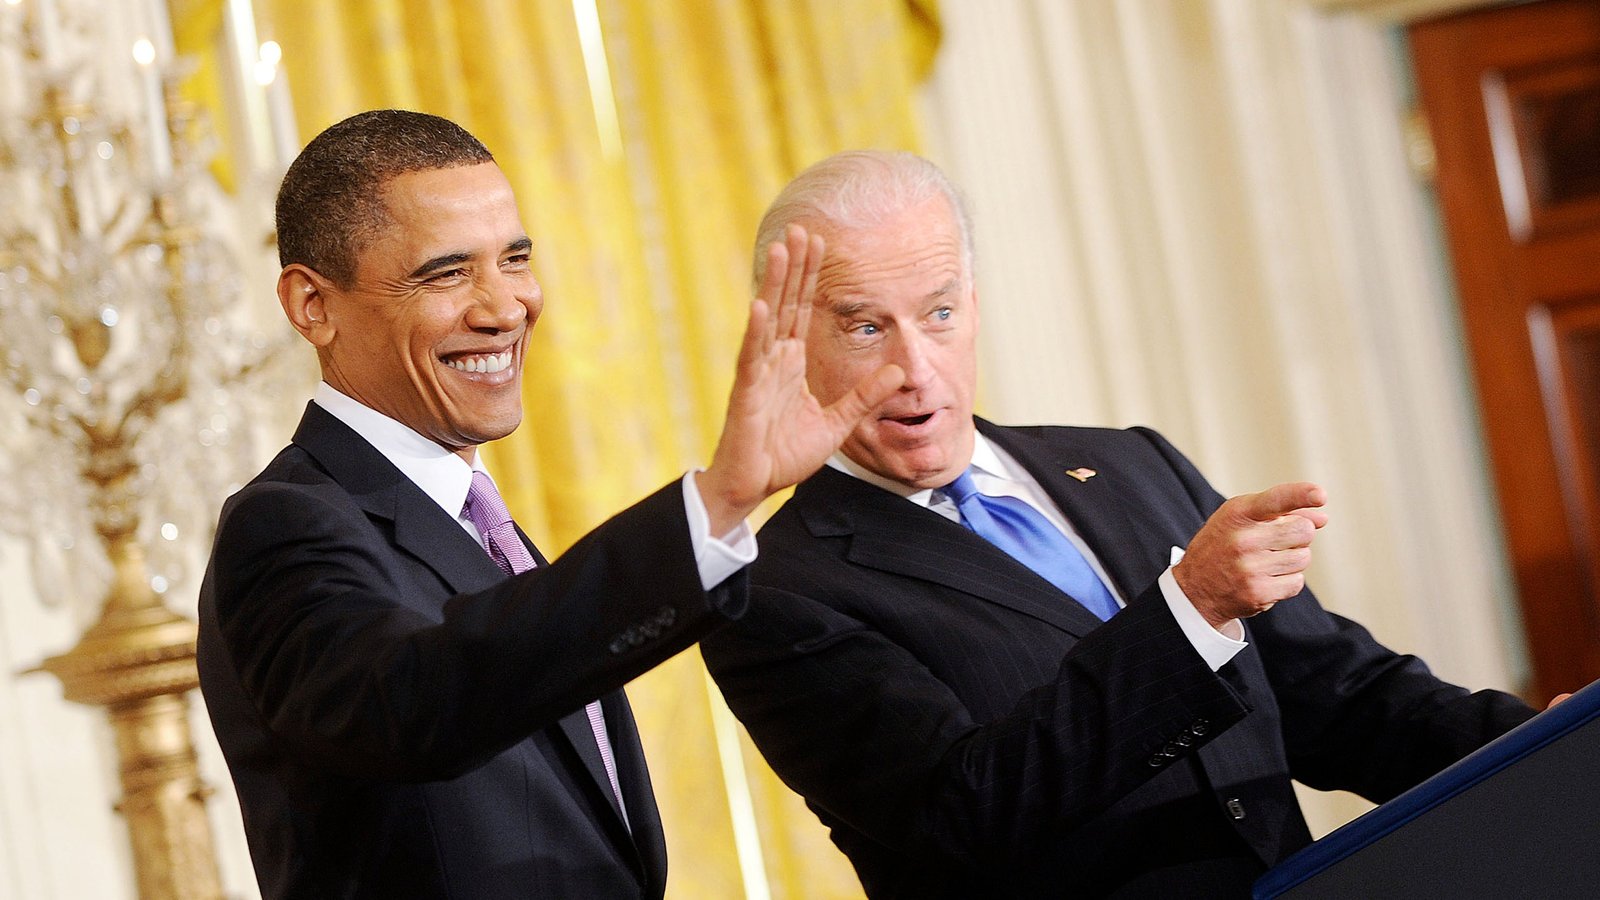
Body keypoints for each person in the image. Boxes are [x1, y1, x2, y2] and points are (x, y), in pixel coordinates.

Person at [698, 150, 1539, 898]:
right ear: (790, 338)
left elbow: (1333, 698)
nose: (915, 369)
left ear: (976, 305)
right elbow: (964, 816)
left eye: (940, 313)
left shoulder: (1129, 462)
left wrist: (1543, 747)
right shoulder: (774, 594)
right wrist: (1189, 613)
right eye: (867, 326)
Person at [195, 110, 902, 899]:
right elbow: (418, 698)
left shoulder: (474, 521)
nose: (506, 307)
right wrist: (715, 502)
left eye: (516, 259)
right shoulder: (286, 524)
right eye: (447, 273)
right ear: (311, 305)